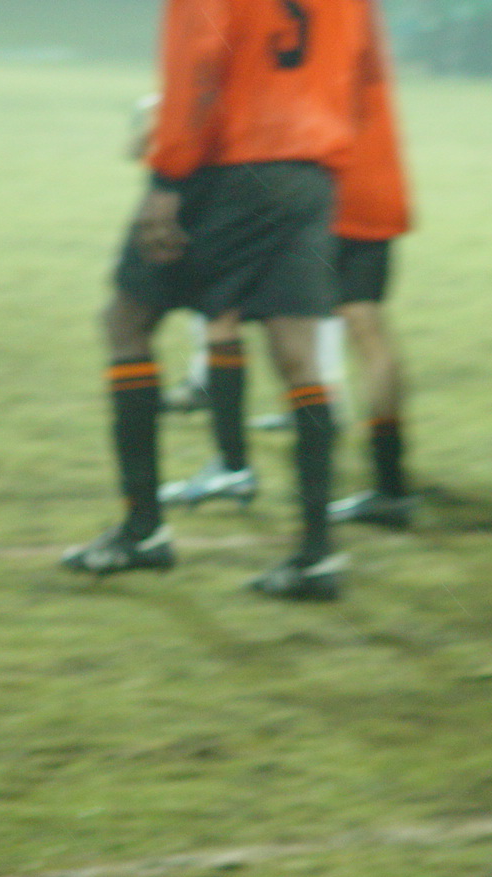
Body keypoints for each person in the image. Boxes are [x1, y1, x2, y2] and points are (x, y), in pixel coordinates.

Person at [62, 0, 377, 600]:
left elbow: (197, 65)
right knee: (299, 357)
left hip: (230, 167)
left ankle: (143, 529)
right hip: (309, 172)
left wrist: (165, 180)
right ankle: (317, 555)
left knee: (126, 322)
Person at [161, 1, 417, 530]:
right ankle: (390, 483)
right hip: (372, 171)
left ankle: (235, 465)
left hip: (302, 166)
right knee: (367, 329)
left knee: (226, 312)